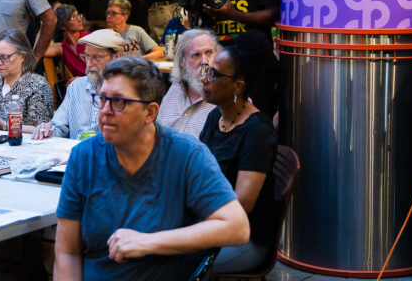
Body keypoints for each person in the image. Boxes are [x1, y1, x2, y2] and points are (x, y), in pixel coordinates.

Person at [54, 56, 250, 279]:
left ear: (150, 112)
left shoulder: (186, 154)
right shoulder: (84, 156)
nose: (105, 110)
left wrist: (147, 242)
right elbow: (67, 252)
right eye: (102, 98)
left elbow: (237, 227)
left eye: (118, 102)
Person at [199, 30, 278, 273]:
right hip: (214, 224)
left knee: (163, 258)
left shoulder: (257, 132)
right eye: (207, 70)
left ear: (238, 86)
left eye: (213, 74)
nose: (204, 79)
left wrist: (192, 220)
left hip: (244, 238)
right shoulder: (215, 117)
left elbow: (243, 204)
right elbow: (198, 170)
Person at [32, 29, 124, 140]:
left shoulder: (128, 92)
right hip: (74, 150)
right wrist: (48, 129)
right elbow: (59, 126)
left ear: (117, 57)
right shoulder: (76, 86)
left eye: (97, 57)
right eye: (86, 56)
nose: (88, 64)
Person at [157, 29, 220, 137]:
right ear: (182, 62)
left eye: (209, 53)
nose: (205, 61)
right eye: (196, 55)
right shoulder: (176, 88)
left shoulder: (227, 97)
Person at [45, 5, 88, 79]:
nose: (80, 20)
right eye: (73, 17)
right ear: (63, 26)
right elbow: (38, 52)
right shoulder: (62, 48)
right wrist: (47, 21)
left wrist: (80, 80)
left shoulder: (90, 39)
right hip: (81, 85)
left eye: (79, 16)